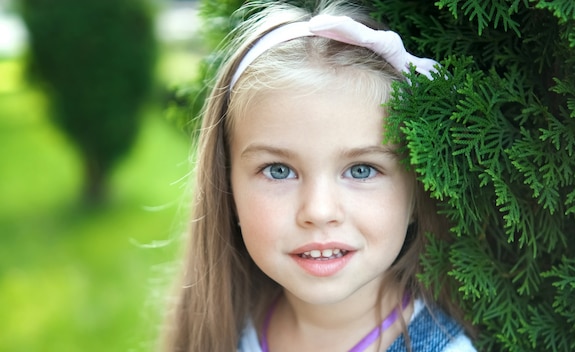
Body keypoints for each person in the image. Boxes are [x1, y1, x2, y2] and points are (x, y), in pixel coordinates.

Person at [162, 1, 476, 351]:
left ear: (418, 189)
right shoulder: (224, 332)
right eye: (279, 171)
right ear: (228, 187)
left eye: (362, 170)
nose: (319, 210)